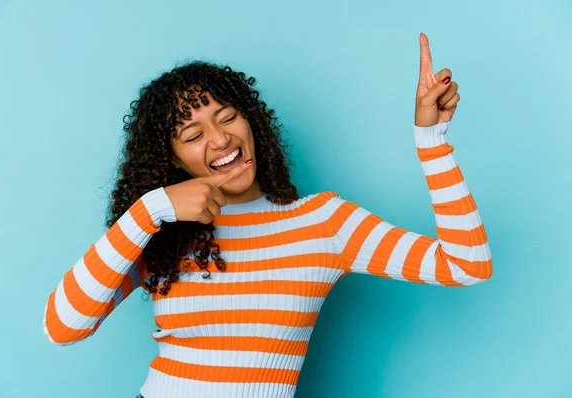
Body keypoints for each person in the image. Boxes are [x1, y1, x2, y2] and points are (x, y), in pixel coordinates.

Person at [42, 33, 492, 398]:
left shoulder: (324, 223)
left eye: (228, 117)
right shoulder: (162, 233)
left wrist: (431, 141)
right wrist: (150, 210)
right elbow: (63, 327)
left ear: (251, 121)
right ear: (174, 159)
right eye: (193, 133)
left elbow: (467, 264)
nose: (219, 140)